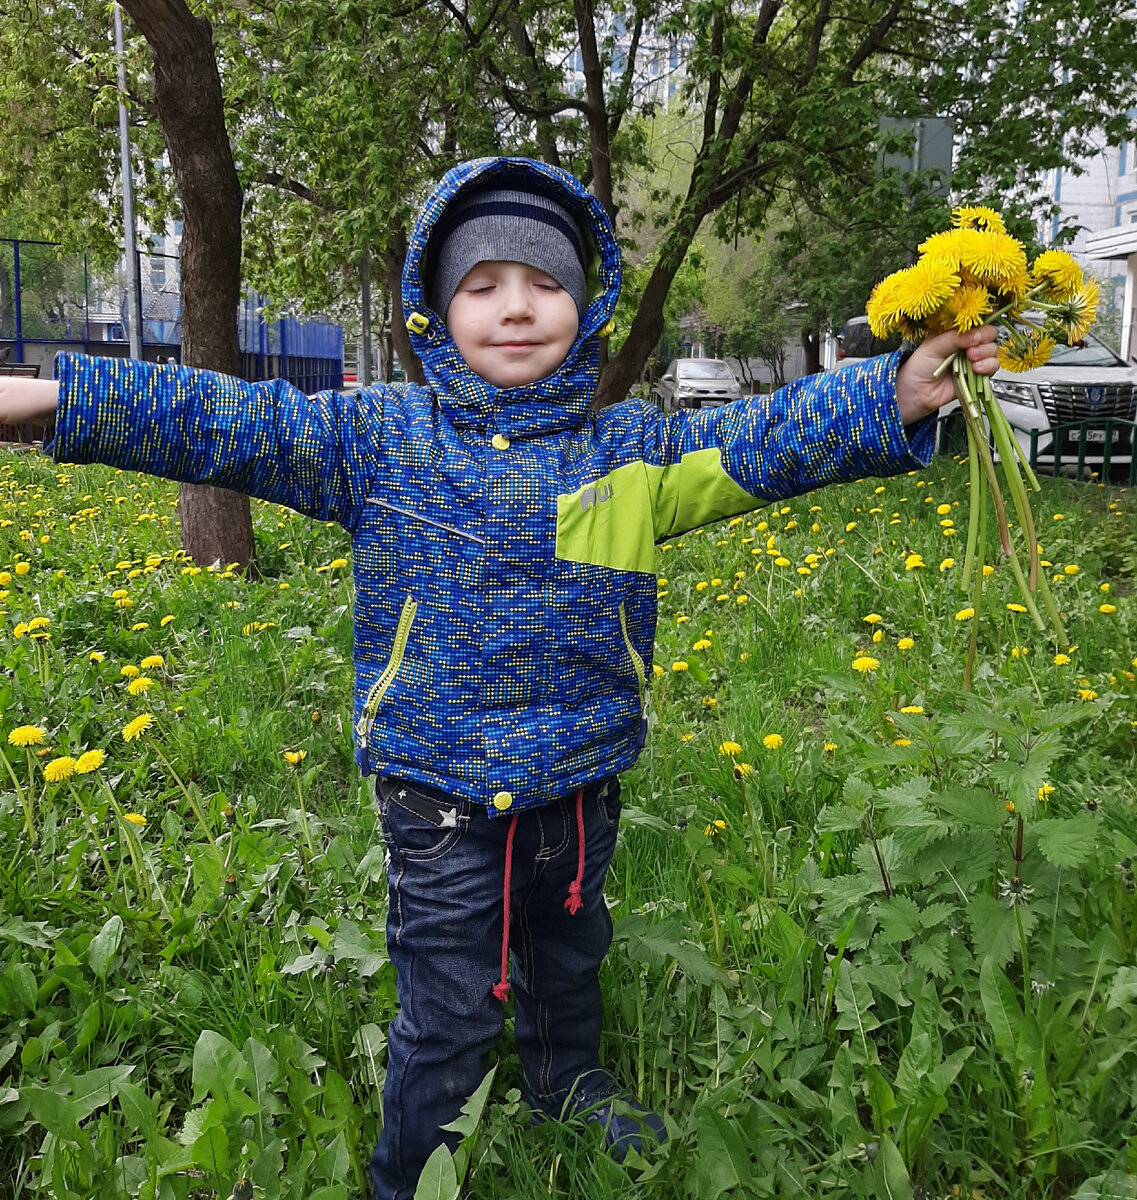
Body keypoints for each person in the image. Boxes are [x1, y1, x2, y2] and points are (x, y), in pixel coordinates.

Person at [0, 156, 999, 1200]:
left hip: (581, 782)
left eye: (545, 283)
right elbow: (215, 419)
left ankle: (571, 1082)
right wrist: (46, 398)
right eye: (481, 284)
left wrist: (894, 392)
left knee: (571, 962)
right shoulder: (375, 441)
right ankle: (411, 1176)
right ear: (434, 307)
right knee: (449, 1015)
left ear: (588, 298)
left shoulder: (633, 453)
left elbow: (765, 439)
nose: (515, 308)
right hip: (438, 799)